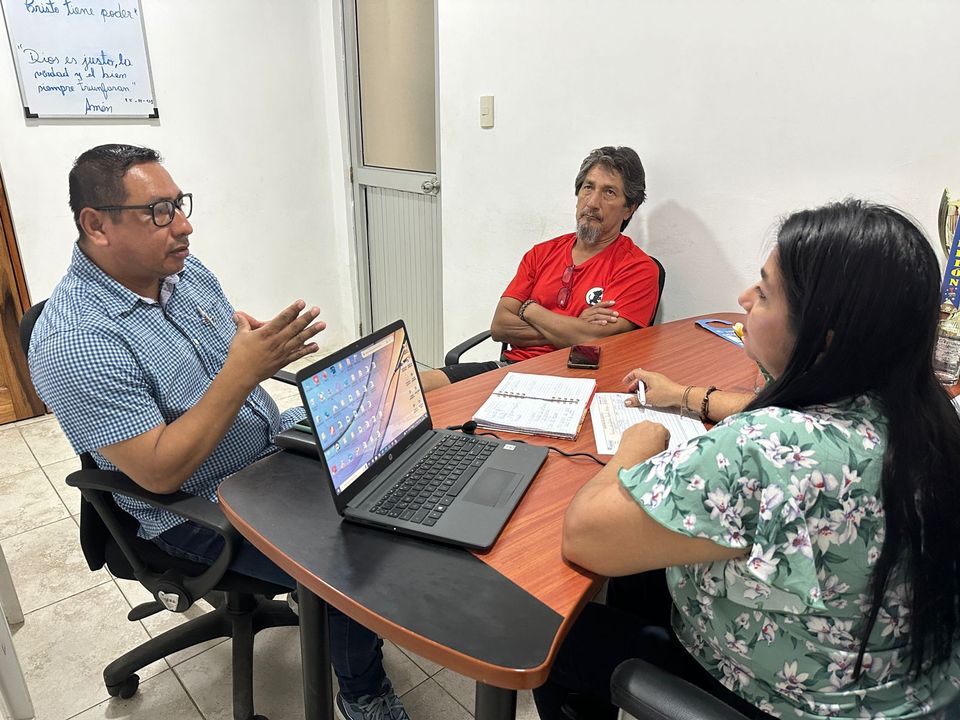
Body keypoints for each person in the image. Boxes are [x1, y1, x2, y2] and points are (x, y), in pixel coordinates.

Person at [534, 200, 960, 719]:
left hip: (781, 699)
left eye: (763, 292)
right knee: (638, 572)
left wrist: (637, 444)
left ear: (823, 335)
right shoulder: (927, 414)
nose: (743, 299)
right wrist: (687, 396)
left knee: (553, 635)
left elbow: (582, 534)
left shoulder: (761, 447)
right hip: (894, 687)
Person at [28, 144, 409, 720]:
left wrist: (249, 343)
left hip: (266, 444)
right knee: (354, 560)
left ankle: (340, 609)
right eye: (158, 212)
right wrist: (242, 371)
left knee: (387, 453)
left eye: (179, 204)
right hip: (197, 506)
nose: (183, 226)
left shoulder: (179, 272)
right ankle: (362, 693)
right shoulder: (75, 341)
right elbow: (160, 471)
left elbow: (221, 349)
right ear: (96, 225)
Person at [421, 145, 660, 392]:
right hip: (510, 370)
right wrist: (575, 327)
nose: (592, 202)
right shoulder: (541, 253)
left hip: (578, 383)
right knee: (416, 387)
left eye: (609, 192)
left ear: (629, 208)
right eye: (588, 187)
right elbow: (500, 326)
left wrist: (529, 309)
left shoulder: (637, 268)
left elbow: (595, 340)